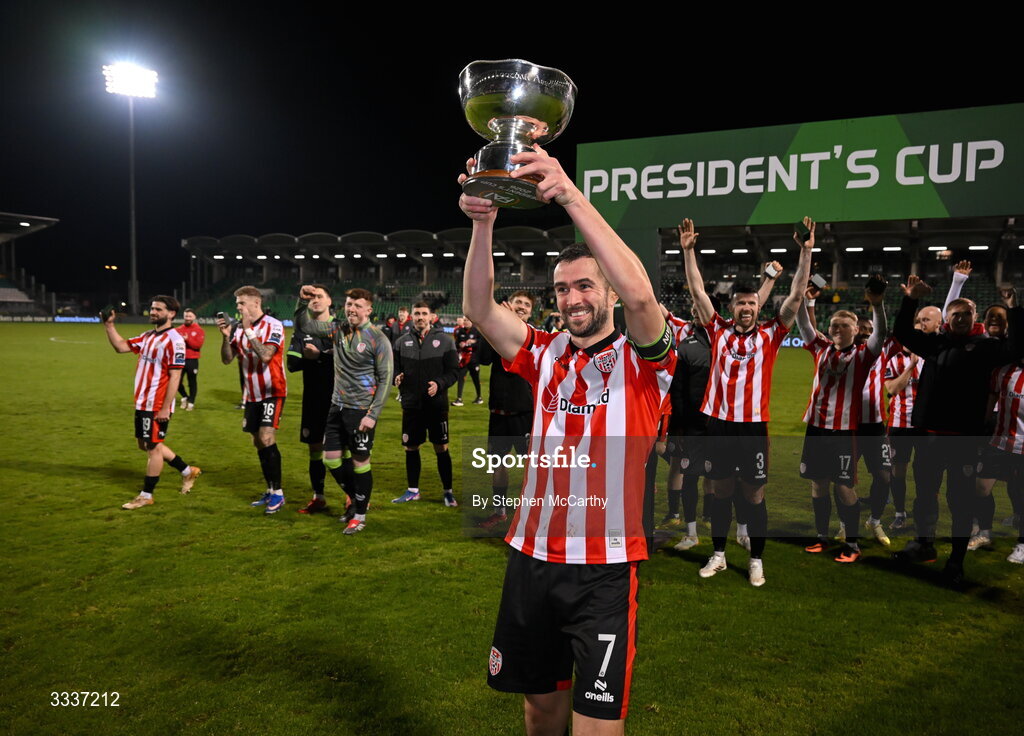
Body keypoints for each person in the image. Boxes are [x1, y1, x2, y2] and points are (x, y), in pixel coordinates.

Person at [461, 145, 675, 734]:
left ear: (605, 290)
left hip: (604, 569)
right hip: (530, 557)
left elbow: (641, 298)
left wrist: (568, 193)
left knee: (597, 725)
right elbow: (479, 307)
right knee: (539, 709)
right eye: (561, 289)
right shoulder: (543, 351)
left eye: (585, 285)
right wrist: (483, 223)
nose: (572, 298)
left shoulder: (645, 360)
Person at [681, 217, 813, 586]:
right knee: (720, 491)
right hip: (720, 426)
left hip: (754, 427)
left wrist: (806, 252)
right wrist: (689, 251)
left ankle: (756, 559)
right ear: (733, 306)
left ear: (758, 306)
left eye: (752, 302)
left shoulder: (772, 333)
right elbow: (697, 293)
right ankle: (719, 554)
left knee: (754, 496)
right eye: (741, 303)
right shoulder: (717, 329)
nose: (746, 308)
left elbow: (798, 295)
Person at [892, 276, 1022, 583]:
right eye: (955, 314)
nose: (960, 318)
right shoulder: (933, 344)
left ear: (973, 319)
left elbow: (1017, 345)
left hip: (963, 440)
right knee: (924, 495)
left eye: (965, 314)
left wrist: (1013, 308)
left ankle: (957, 559)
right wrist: (910, 298)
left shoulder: (988, 348)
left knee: (959, 501)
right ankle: (924, 545)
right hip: (929, 438)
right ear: (946, 320)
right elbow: (901, 332)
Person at [796, 285, 888, 563]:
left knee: (844, 487)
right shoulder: (821, 348)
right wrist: (801, 299)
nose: (837, 329)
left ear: (856, 328)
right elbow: (802, 323)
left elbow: (881, 334)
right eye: (834, 324)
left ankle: (852, 544)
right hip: (815, 429)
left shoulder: (863, 355)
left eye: (844, 325)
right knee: (818, 484)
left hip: (844, 431)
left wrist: (877, 304)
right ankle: (822, 537)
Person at [295, 286, 393, 533]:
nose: (351, 309)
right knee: (331, 460)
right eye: (349, 304)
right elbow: (305, 327)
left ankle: (359, 515)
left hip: (360, 411)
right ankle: (359, 498)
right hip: (336, 407)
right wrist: (301, 302)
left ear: (369, 310)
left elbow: (386, 379)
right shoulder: (338, 330)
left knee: (360, 462)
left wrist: (372, 415)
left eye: (357, 305)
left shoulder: (378, 339)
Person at [103, 296, 201, 509]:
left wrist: (166, 407)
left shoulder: (174, 340)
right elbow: (121, 347)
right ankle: (187, 471)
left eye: (158, 309)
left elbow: (175, 376)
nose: (153, 312)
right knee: (145, 444)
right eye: (152, 308)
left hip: (157, 403)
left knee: (153, 448)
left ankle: (146, 495)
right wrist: (109, 325)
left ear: (171, 314)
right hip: (142, 401)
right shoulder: (148, 336)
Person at [217, 286, 288, 513]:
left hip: (272, 390)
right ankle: (269, 489)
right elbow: (227, 360)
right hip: (252, 394)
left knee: (267, 437)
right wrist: (227, 338)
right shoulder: (237, 329)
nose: (238, 308)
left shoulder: (273, 325)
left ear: (255, 303)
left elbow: (267, 355)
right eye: (237, 304)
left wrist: (249, 331)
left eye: (241, 304)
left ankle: (278, 493)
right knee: (257, 441)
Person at [475, 291, 536, 529]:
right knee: (498, 463)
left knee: (531, 465)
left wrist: (508, 324)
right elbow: (483, 359)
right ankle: (499, 510)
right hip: (499, 411)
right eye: (518, 302)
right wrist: (488, 328)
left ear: (531, 311)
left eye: (526, 304)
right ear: (510, 304)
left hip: (524, 411)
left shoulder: (534, 336)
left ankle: (533, 511)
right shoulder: (497, 332)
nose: (521, 306)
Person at [391, 301, 460, 507]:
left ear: (431, 317)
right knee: (411, 447)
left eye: (424, 313)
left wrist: (439, 384)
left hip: (436, 405)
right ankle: (413, 490)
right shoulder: (401, 342)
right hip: (411, 404)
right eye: (417, 313)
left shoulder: (445, 341)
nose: (420, 317)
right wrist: (397, 377)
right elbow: (394, 369)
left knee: (441, 447)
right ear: (411, 316)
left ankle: (448, 491)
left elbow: (454, 372)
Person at [286, 284, 336, 513]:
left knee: (341, 448)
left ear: (329, 301)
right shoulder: (301, 332)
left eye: (320, 296)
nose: (315, 300)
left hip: (339, 399)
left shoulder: (341, 329)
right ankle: (319, 497)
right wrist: (312, 358)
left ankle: (350, 496)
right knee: (314, 448)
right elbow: (292, 364)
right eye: (312, 297)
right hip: (313, 398)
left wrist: (318, 356)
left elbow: (349, 362)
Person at [175, 308, 205, 410]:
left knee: (192, 381)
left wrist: (188, 339)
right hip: (179, 359)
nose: (187, 318)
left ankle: (191, 402)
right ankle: (185, 396)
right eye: (186, 316)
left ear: (194, 317)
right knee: (176, 381)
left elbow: (197, 345)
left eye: (190, 316)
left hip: (192, 359)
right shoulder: (178, 329)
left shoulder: (199, 330)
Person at [453, 315, 483, 406]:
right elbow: (456, 344)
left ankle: (479, 397)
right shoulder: (460, 331)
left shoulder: (477, 331)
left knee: (475, 379)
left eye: (467, 320)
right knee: (460, 378)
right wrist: (460, 344)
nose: (466, 322)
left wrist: (474, 342)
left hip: (474, 360)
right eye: (464, 320)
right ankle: (459, 399)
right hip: (464, 360)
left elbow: (481, 344)